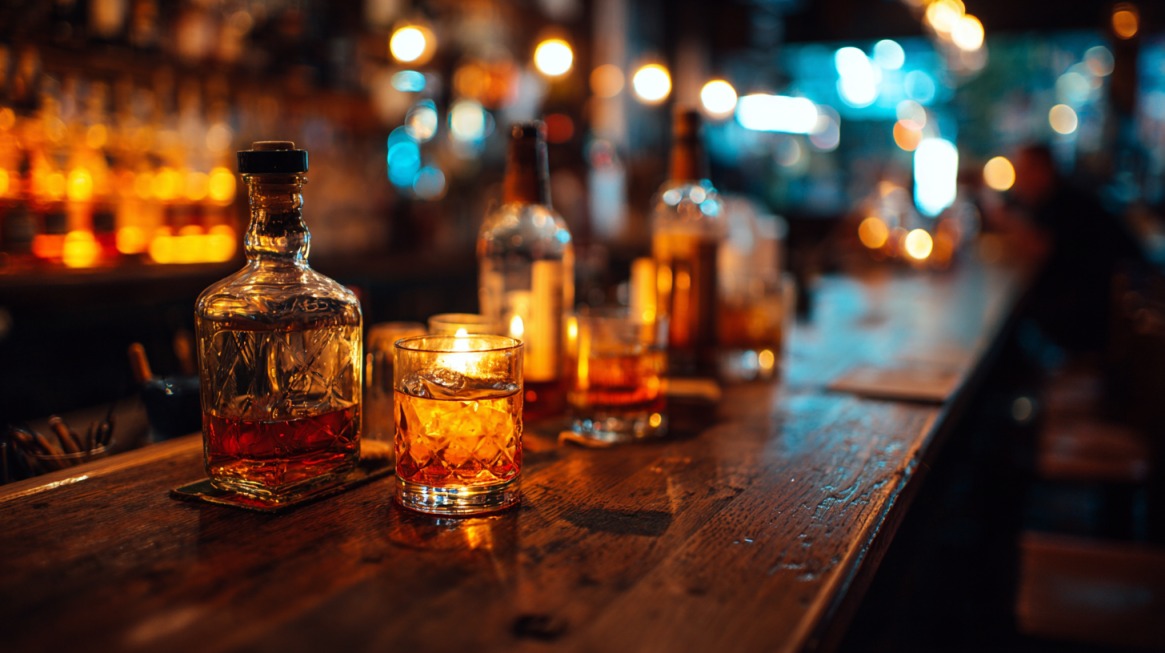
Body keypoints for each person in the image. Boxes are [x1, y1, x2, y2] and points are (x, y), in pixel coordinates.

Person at [1007, 143, 1145, 355]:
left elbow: (1039, 248)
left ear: (1042, 170)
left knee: (1020, 311)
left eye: (1022, 172)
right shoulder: (1058, 194)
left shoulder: (1066, 202)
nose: (1017, 182)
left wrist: (998, 215)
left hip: (1102, 311)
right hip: (1106, 301)